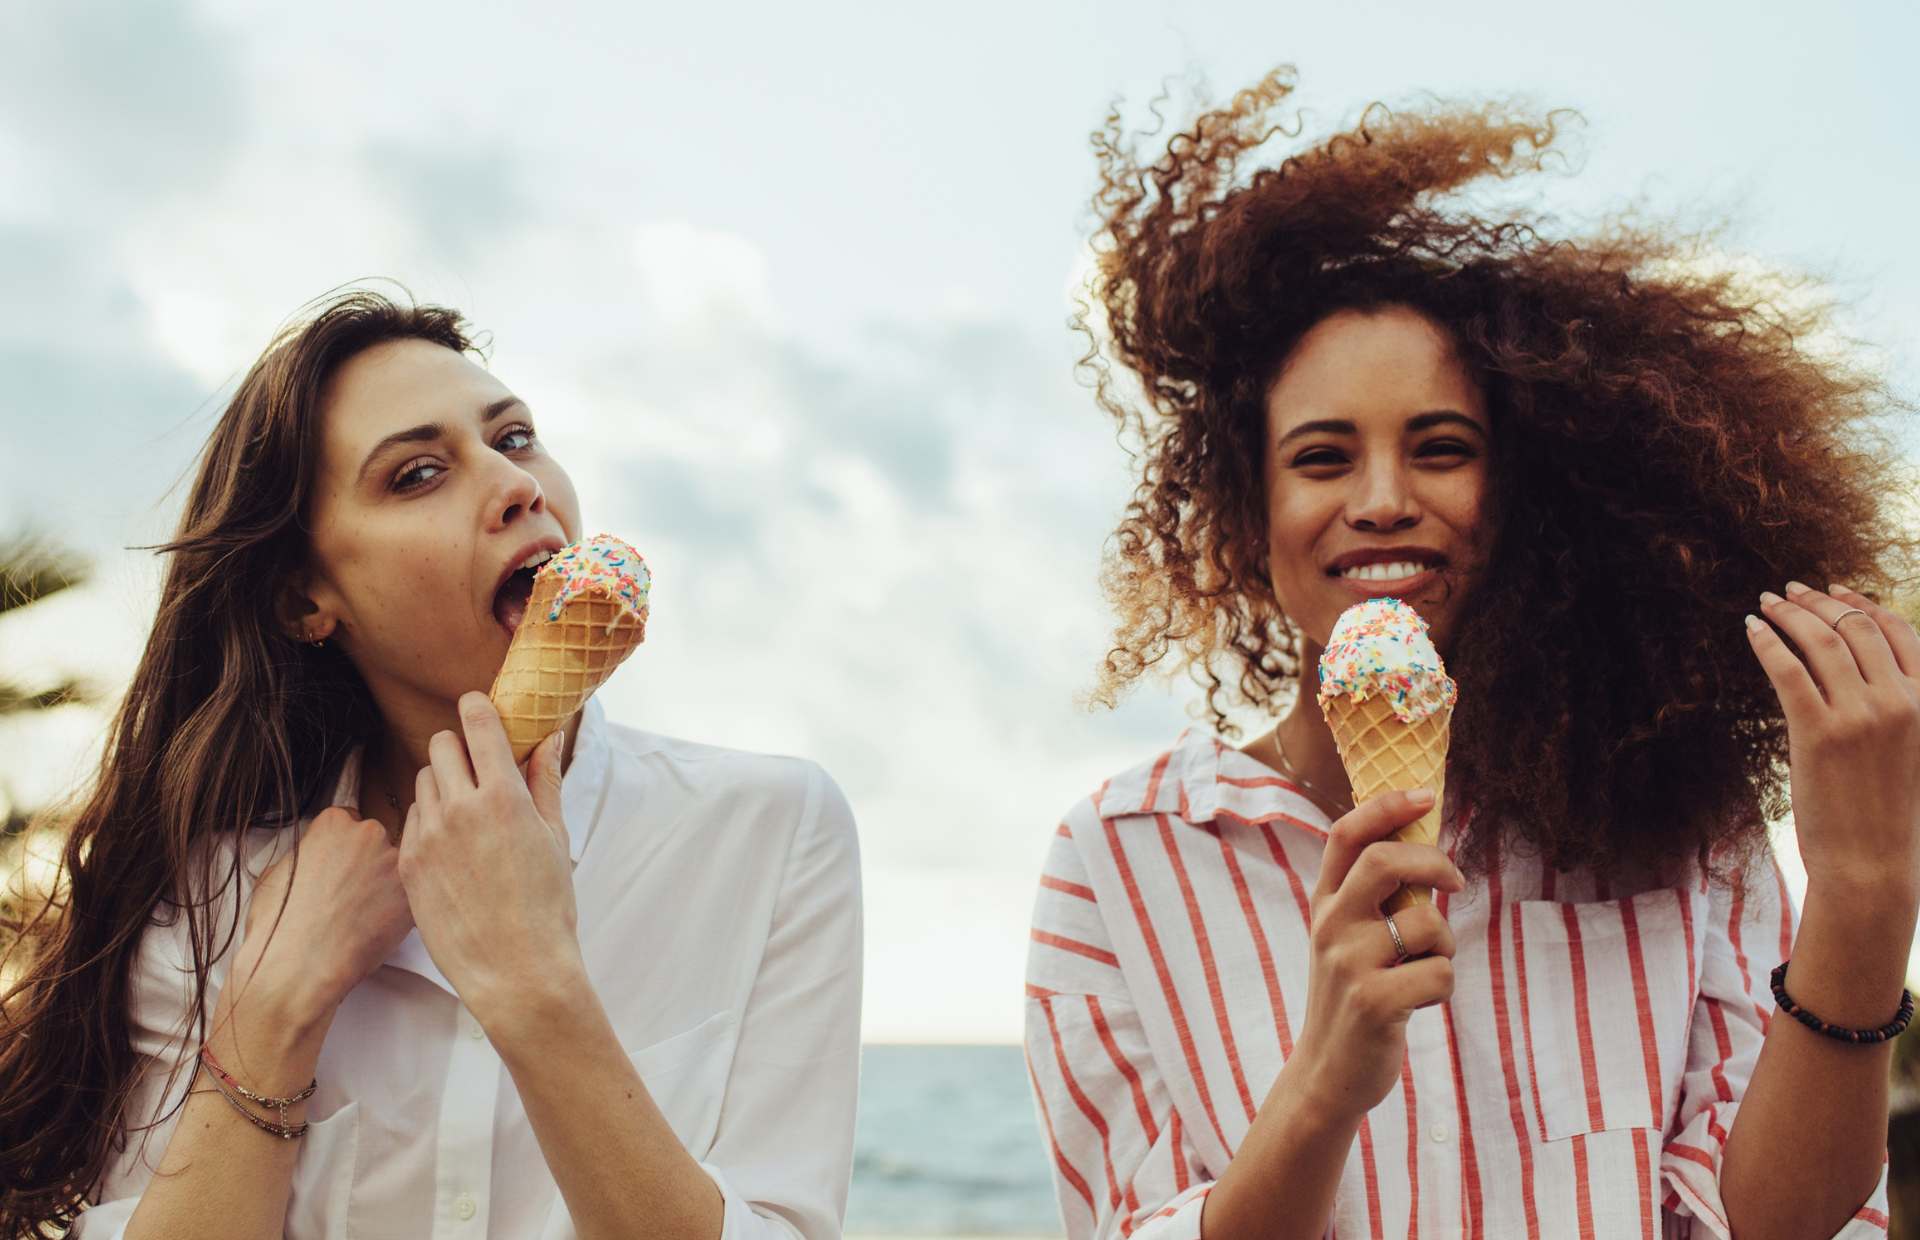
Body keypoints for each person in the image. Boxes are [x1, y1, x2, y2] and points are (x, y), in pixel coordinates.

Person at [1025, 67, 1918, 1239]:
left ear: (1525, 497)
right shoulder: (1119, 861)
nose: (1385, 499)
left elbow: (1773, 1228)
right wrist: (1322, 1088)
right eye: (1323, 456)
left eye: (1442, 448)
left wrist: (1862, 893)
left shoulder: (1679, 819)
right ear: (1246, 519)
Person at [0, 289, 864, 1240]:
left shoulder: (772, 829)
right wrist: (270, 1014)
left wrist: (538, 990)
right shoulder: (207, 899)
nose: (516, 483)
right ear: (306, 598)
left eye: (517, 437)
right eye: (416, 474)